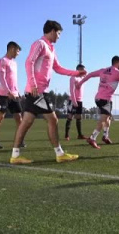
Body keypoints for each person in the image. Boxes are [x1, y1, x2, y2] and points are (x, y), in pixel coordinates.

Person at [9, 20, 86, 164]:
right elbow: (29, 62)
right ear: (51, 31)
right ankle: (59, 153)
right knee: (53, 119)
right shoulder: (40, 44)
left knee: (26, 122)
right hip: (37, 91)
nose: (59, 37)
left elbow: (58, 68)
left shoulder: (51, 48)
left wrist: (76, 73)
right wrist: (33, 84)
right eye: (58, 33)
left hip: (37, 91)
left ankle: (15, 155)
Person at [78, 56, 119, 149]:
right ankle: (92, 138)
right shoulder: (118, 73)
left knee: (107, 118)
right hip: (106, 99)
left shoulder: (103, 70)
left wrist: (79, 83)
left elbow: (90, 75)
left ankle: (105, 136)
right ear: (118, 63)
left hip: (98, 98)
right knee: (103, 119)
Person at [0, 41, 25, 149]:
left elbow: (13, 80)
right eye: (18, 51)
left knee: (19, 118)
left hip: (14, 95)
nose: (18, 54)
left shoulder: (14, 63)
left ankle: (19, 141)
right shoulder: (2, 61)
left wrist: (17, 93)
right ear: (12, 49)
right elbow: (1, 78)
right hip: (3, 94)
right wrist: (8, 91)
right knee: (0, 117)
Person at [65, 64, 87, 141]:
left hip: (80, 100)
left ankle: (80, 135)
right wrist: (74, 101)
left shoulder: (82, 78)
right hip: (73, 100)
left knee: (79, 117)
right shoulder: (73, 77)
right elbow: (72, 90)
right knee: (70, 116)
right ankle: (66, 135)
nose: (84, 71)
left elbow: (87, 76)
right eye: (83, 70)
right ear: (78, 70)